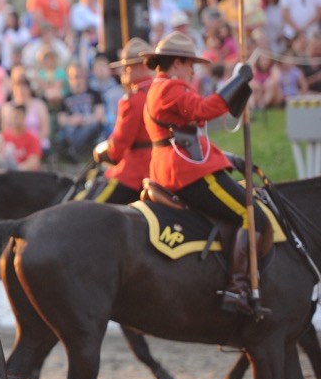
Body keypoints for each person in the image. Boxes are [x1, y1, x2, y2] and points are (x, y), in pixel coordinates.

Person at [141, 32, 265, 316]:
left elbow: (189, 130)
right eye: (190, 64)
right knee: (252, 215)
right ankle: (237, 288)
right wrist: (237, 80)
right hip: (186, 171)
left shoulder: (163, 88)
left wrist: (226, 157)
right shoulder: (170, 88)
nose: (194, 70)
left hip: (178, 163)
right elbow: (206, 110)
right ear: (177, 62)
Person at [86, 38, 153, 203]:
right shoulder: (160, 90)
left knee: (89, 206)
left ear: (139, 66)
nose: (123, 72)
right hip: (160, 166)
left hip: (136, 171)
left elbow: (120, 143)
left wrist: (104, 151)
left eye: (126, 67)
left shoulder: (133, 99)